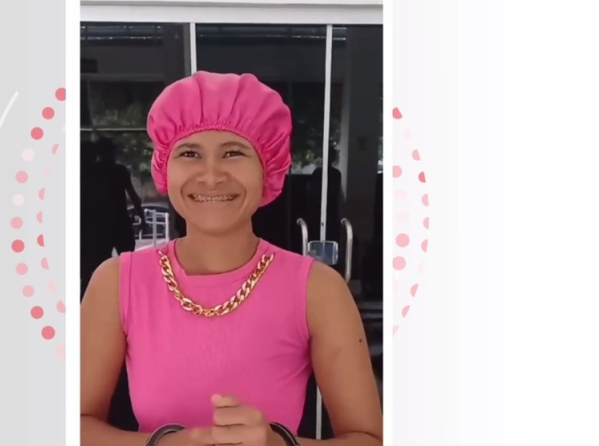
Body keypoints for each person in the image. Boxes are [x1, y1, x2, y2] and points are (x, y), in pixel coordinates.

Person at [81, 72, 383, 446]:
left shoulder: (318, 289)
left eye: (233, 152)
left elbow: (369, 438)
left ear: (267, 166)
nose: (211, 176)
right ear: (164, 166)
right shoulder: (118, 283)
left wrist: (278, 444)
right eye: (189, 153)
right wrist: (162, 444)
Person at [80, 137, 146, 298]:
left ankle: (97, 294)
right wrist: (142, 218)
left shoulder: (94, 172)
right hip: (118, 220)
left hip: (102, 223)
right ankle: (127, 292)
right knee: (127, 260)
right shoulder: (118, 171)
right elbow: (133, 197)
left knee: (99, 260)